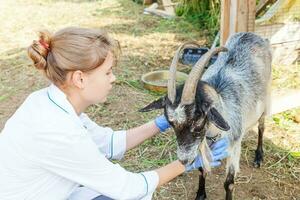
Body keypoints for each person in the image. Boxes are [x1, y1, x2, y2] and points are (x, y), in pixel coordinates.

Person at [0, 27, 229, 200]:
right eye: (108, 72)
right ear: (80, 78)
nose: (114, 78)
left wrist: (160, 123)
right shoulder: (58, 131)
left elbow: (109, 142)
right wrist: (187, 163)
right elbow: (127, 188)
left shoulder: (52, 103)